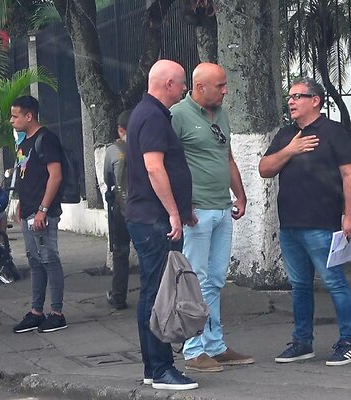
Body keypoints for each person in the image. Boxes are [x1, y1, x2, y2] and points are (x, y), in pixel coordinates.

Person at [258, 77, 351, 366]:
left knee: (335, 283)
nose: (290, 101)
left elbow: (349, 175)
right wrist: (290, 150)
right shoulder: (286, 135)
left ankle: (349, 342)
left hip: (322, 224)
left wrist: (350, 215)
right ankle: (302, 342)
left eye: (297, 96)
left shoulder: (333, 132)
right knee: (299, 286)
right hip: (290, 226)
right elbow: (265, 169)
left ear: (315, 100)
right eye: (289, 97)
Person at [170, 62, 253, 372]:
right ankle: (193, 350)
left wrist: (240, 194)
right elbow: (166, 162)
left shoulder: (221, 114)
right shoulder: (178, 115)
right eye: (220, 86)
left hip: (221, 207)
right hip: (196, 211)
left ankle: (215, 345)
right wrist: (181, 206)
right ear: (199, 87)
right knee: (195, 280)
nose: (225, 91)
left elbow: (227, 156)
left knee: (216, 279)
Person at [124, 59, 198, 390]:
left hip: (151, 216)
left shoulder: (148, 113)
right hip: (154, 219)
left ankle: (152, 366)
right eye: (182, 83)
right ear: (168, 84)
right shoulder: (152, 116)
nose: (185, 89)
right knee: (159, 295)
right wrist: (173, 212)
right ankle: (161, 368)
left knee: (153, 292)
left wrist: (183, 208)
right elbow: (155, 167)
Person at [10, 95, 67, 334]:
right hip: (28, 210)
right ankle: (36, 311)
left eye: (15, 116)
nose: (11, 120)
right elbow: (26, 175)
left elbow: (56, 176)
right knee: (34, 261)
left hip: (43, 212)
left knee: (49, 258)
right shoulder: (24, 143)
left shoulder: (46, 139)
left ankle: (57, 313)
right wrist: (21, 204)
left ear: (29, 116)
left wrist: (43, 209)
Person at [103, 109, 132, 310]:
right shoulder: (146, 145)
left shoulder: (113, 150)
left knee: (120, 252)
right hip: (145, 208)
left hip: (121, 208)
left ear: (120, 129)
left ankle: (119, 296)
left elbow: (108, 178)